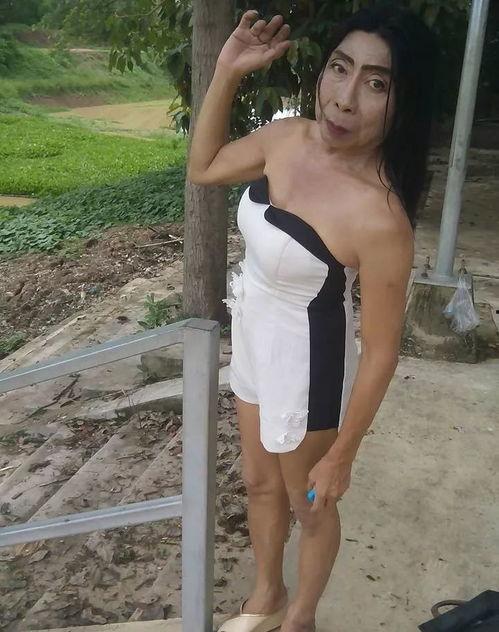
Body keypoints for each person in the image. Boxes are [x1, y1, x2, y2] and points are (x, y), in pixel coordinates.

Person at [188, 5, 438, 632]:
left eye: (376, 83)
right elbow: (204, 167)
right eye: (340, 68)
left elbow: (382, 350)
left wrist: (343, 455)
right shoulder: (286, 137)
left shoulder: (380, 217)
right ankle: (267, 596)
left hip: (308, 366)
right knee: (258, 482)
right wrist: (226, 72)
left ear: (402, 104)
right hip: (252, 335)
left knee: (310, 503)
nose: (345, 98)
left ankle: (300, 619)